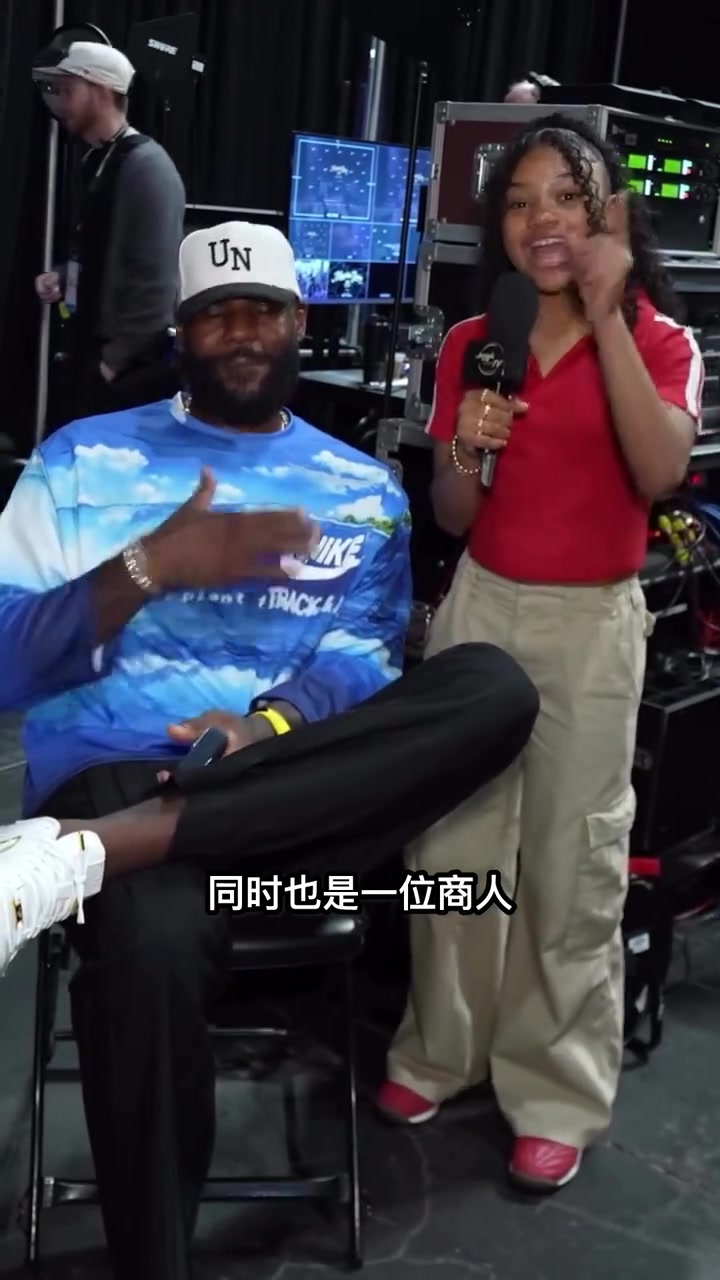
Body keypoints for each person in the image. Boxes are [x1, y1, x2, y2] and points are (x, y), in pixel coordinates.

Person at [0, 216, 539, 1280]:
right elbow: (6, 659)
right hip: (122, 766)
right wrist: (149, 566)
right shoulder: (81, 459)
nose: (243, 334)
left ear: (299, 323)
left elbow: (362, 661)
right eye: (217, 316)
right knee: (155, 937)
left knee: (496, 686)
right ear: (181, 332)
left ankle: (96, 851)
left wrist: (269, 723)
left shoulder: (362, 490)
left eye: (264, 312)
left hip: (294, 792)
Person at [377, 115, 704, 1190]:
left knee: (572, 863)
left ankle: (553, 1088)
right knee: (452, 850)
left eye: (567, 196)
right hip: (482, 609)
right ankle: (442, 1048)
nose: (542, 220)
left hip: (590, 628)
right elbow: (455, 512)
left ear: (612, 214)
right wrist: (470, 446)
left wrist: (607, 316)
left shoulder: (660, 339)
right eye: (520, 202)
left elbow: (659, 472)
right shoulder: (480, 340)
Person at [31, 41, 186, 427]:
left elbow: (156, 283)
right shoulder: (99, 161)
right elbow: (101, 255)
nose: (61, 101)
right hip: (91, 358)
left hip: (121, 376)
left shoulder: (148, 167)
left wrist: (112, 362)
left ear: (100, 92)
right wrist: (63, 277)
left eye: (69, 90)